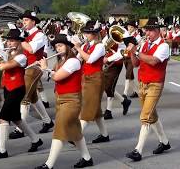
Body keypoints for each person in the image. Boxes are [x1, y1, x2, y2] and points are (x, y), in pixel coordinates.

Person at [35, 34, 93, 169]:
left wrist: (45, 68)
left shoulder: (73, 61)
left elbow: (58, 77)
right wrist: (44, 68)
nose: (58, 48)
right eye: (56, 46)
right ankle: (87, 158)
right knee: (76, 132)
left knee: (59, 131)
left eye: (60, 45)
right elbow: (54, 74)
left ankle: (48, 165)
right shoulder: (60, 61)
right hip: (61, 99)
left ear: (67, 47)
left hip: (71, 100)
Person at [0, 28, 43, 160]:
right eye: (8, 41)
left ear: (19, 42)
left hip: (17, 89)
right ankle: (36, 140)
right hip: (8, 88)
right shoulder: (11, 53)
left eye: (12, 41)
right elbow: (3, 62)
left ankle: (2, 150)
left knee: (3, 118)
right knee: (16, 118)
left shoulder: (22, 57)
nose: (9, 43)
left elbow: (2, 67)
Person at [126, 17, 171, 161]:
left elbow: (153, 61)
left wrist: (137, 52)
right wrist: (132, 53)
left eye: (151, 30)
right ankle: (164, 142)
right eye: (147, 30)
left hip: (155, 84)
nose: (148, 33)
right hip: (142, 83)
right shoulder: (145, 43)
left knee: (145, 116)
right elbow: (135, 64)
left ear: (158, 31)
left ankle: (137, 151)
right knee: (151, 115)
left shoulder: (164, 46)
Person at [9, 10, 54, 139]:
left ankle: (20, 128)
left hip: (35, 67)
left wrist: (20, 39)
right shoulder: (27, 35)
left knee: (24, 97)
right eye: (23, 21)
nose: (24, 23)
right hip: (27, 66)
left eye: (26, 20)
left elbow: (31, 49)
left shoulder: (39, 35)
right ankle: (47, 121)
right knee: (33, 97)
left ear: (33, 22)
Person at [72, 20, 109, 143]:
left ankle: (76, 134)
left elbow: (90, 59)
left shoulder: (100, 46)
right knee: (96, 109)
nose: (85, 35)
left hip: (95, 78)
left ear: (94, 34)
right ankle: (105, 134)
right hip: (85, 77)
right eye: (85, 32)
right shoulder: (85, 46)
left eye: (88, 33)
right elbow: (77, 59)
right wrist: (70, 51)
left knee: (87, 107)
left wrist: (78, 48)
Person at [102, 24, 132, 120]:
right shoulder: (107, 37)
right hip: (106, 62)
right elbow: (103, 47)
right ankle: (124, 101)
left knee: (109, 86)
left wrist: (109, 59)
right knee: (106, 86)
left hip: (116, 63)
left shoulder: (122, 39)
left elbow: (122, 52)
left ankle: (108, 111)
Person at [124, 20, 141, 98]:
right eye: (128, 27)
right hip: (126, 56)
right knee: (130, 76)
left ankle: (125, 93)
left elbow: (136, 46)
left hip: (132, 57)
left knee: (128, 74)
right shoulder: (126, 34)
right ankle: (137, 91)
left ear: (134, 28)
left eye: (131, 27)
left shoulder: (137, 36)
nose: (129, 28)